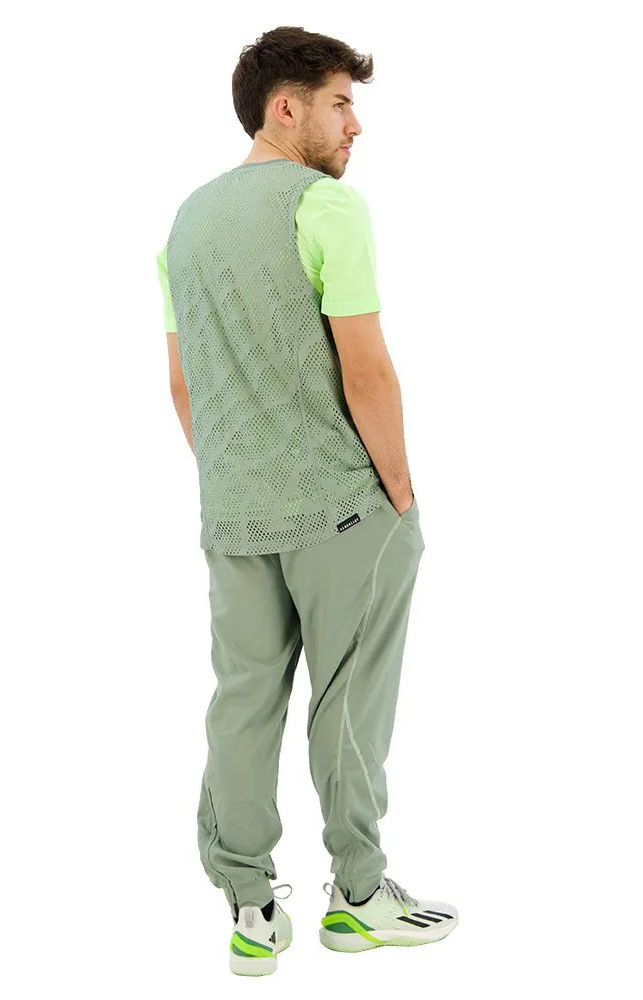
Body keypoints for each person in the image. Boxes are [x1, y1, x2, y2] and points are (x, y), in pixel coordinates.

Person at [156, 25, 457, 976]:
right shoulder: (327, 207)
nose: (355, 126)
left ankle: (250, 909)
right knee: (349, 703)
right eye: (340, 103)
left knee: (243, 701)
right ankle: (358, 897)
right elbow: (367, 371)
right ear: (285, 108)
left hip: (234, 513)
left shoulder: (186, 225)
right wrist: (400, 493)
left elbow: (183, 387)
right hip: (342, 509)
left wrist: (237, 480)